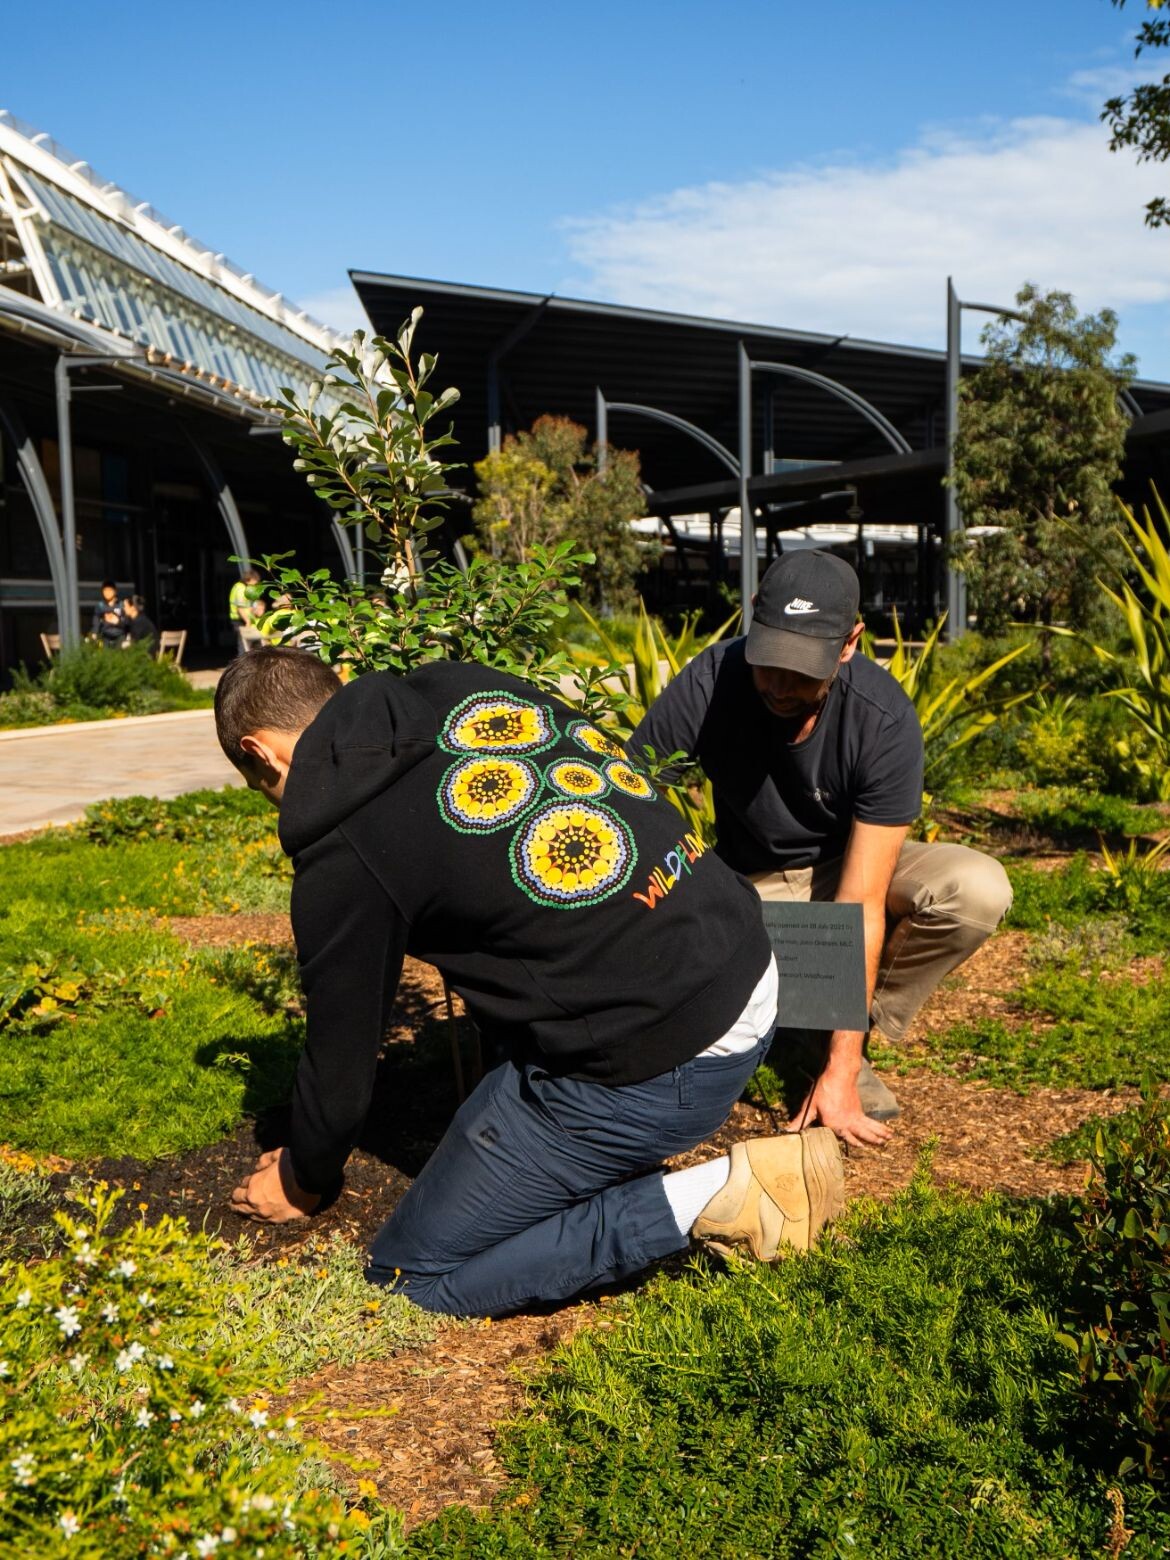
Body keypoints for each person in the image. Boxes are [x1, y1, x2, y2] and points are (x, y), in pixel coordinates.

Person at [213, 647, 844, 1318]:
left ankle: (720, 1197)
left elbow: (341, 1065)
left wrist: (302, 1176)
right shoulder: (459, 683)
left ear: (263, 753)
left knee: (410, 1276)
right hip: (743, 957)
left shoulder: (345, 844)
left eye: (263, 786)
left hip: (666, 1053)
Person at [629, 550, 1012, 1149]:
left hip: (848, 867)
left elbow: (860, 899)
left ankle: (837, 1042)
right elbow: (631, 799)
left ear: (850, 642)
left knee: (975, 889)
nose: (780, 685)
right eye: (771, 662)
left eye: (803, 669)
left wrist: (841, 1068)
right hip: (752, 878)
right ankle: (798, 1013)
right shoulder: (709, 684)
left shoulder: (881, 720)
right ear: (753, 618)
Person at [229, 569, 264, 655]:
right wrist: (247, 621)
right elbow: (240, 608)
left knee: (251, 644)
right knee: (245, 645)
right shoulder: (241, 588)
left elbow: (246, 606)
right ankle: (243, 665)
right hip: (241, 620)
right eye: (255, 581)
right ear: (249, 579)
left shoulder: (242, 587)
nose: (256, 583)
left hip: (244, 620)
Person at [91, 580, 126, 648]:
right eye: (105, 590)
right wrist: (94, 632)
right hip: (105, 636)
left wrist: (118, 622)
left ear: (115, 591)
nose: (107, 593)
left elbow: (126, 620)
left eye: (110, 590)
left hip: (119, 635)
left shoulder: (121, 605)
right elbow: (96, 620)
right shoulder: (100, 606)